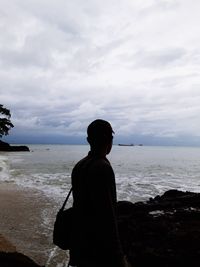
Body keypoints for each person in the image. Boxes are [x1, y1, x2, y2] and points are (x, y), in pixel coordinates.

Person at [68, 119, 129, 267]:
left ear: (88, 140)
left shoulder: (79, 165)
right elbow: (107, 215)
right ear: (110, 140)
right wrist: (118, 255)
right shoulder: (102, 167)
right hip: (98, 249)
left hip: (80, 243)